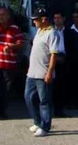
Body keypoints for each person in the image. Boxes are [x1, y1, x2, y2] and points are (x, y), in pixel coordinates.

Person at [24, 8, 60, 137]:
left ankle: (45, 126)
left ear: (44, 19)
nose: (34, 22)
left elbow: (53, 54)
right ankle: (37, 121)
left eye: (36, 20)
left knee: (44, 101)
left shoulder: (52, 33)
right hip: (32, 72)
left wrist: (49, 72)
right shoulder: (39, 30)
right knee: (28, 97)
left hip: (43, 73)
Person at [0, 7, 24, 122]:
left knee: (6, 89)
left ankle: (2, 111)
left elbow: (20, 44)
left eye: (3, 15)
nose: (0, 17)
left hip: (9, 64)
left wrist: (11, 47)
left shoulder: (15, 29)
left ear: (8, 16)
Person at [51, 12, 70, 118]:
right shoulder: (50, 31)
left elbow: (72, 46)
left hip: (65, 60)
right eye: (55, 18)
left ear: (63, 19)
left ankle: (60, 110)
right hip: (53, 59)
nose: (57, 20)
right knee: (53, 86)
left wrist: (66, 57)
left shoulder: (68, 32)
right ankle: (51, 109)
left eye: (59, 18)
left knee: (62, 85)